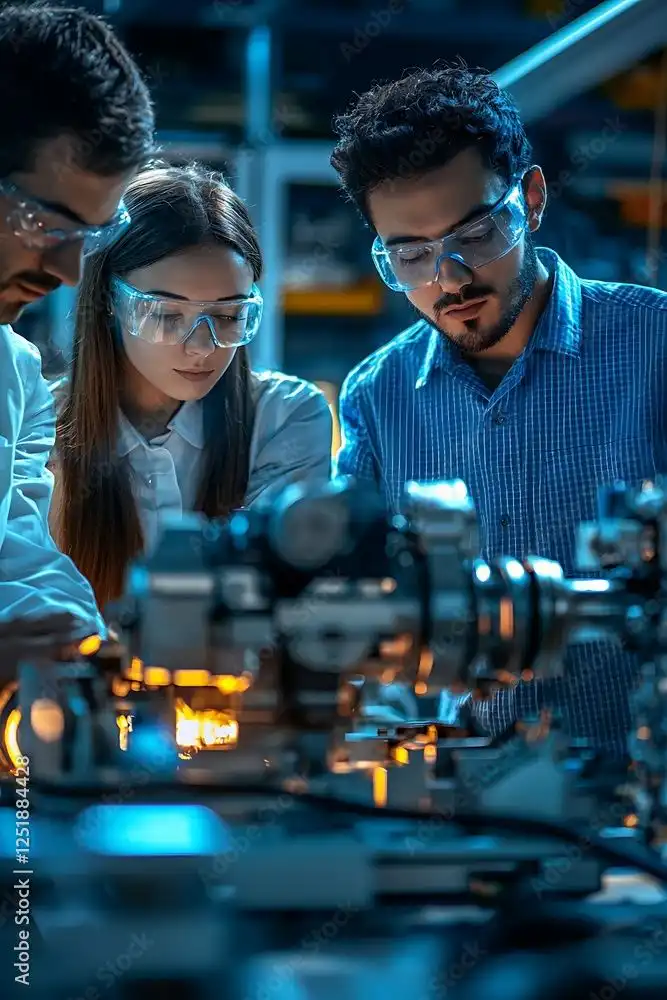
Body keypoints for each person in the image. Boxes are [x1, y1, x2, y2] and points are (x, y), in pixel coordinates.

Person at [330, 64, 667, 759]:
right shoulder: (377, 398)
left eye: (476, 234)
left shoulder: (654, 346)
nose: (449, 279)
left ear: (532, 200)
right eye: (411, 255)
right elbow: (355, 607)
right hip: (460, 795)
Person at [49, 162, 332, 613]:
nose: (202, 347)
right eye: (166, 315)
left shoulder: (285, 416)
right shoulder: (39, 428)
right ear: (107, 300)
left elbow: (274, 591)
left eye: (228, 316)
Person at [0, 3, 155, 661]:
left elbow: (16, 558)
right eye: (45, 224)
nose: (67, 272)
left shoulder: (14, 373)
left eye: (87, 235)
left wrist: (84, 651)